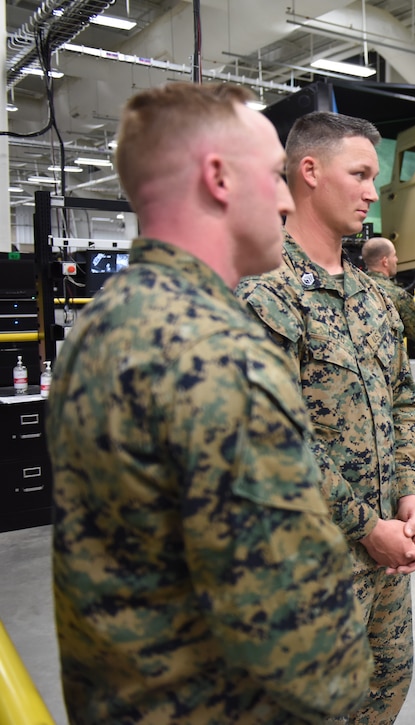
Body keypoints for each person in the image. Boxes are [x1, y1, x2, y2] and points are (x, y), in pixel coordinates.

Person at [47, 82, 373, 723]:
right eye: (273, 176)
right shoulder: (218, 355)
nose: (284, 198)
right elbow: (311, 658)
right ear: (219, 178)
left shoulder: (108, 319)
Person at [236, 111, 415, 725]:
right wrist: (364, 525)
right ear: (310, 171)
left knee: (388, 686)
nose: (373, 192)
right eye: (362, 174)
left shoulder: (375, 298)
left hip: (386, 559)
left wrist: (406, 494)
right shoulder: (264, 294)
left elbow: (403, 398)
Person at [362, 236, 415, 343]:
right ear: (385, 261)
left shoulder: (353, 287)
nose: (396, 259)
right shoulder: (397, 295)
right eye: (394, 255)